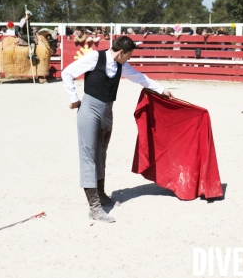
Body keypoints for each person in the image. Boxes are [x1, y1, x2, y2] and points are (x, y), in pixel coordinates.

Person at [61, 36, 174, 223]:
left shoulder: (121, 65)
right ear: (121, 53)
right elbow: (67, 73)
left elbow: (140, 78)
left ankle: (101, 194)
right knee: (88, 155)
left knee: (101, 154)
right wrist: (74, 98)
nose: (128, 60)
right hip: (89, 109)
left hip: (107, 111)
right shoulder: (94, 58)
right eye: (128, 56)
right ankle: (94, 208)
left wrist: (161, 90)